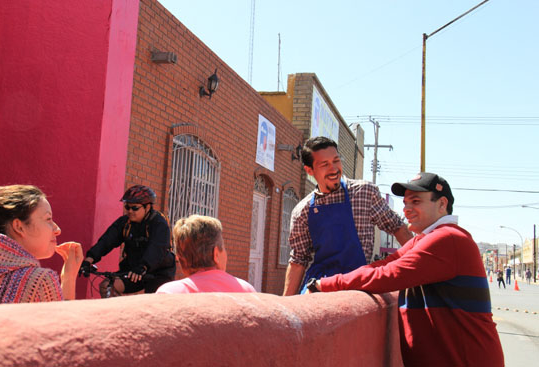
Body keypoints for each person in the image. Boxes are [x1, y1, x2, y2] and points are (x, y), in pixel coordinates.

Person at [305, 172, 504, 367]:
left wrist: (324, 284)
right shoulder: (423, 239)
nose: (407, 209)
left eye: (416, 202)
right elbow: (382, 265)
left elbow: (388, 275)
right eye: (405, 203)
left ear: (442, 204)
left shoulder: (448, 238)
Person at [283, 136, 413, 295]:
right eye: (324, 164)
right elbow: (298, 261)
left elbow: (397, 226)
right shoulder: (302, 211)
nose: (334, 169)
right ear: (309, 170)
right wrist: (286, 305)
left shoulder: (364, 193)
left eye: (336, 161)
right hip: (319, 288)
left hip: (359, 284)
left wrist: (417, 269)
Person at [0, 185, 83, 304]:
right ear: (19, 227)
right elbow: (61, 321)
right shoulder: (38, 281)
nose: (57, 229)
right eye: (48, 219)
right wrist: (69, 279)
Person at [79, 185, 176, 296]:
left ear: (147, 207)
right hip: (133, 271)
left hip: (158, 272)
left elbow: (157, 248)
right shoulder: (125, 223)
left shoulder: (159, 223)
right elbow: (106, 241)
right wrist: (88, 260)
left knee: (152, 302)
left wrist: (143, 266)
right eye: (127, 207)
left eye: (135, 208)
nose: (130, 211)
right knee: (107, 287)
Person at [156, 215, 256, 294]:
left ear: (180, 258)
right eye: (224, 249)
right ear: (216, 254)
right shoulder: (247, 291)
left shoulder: (168, 293)